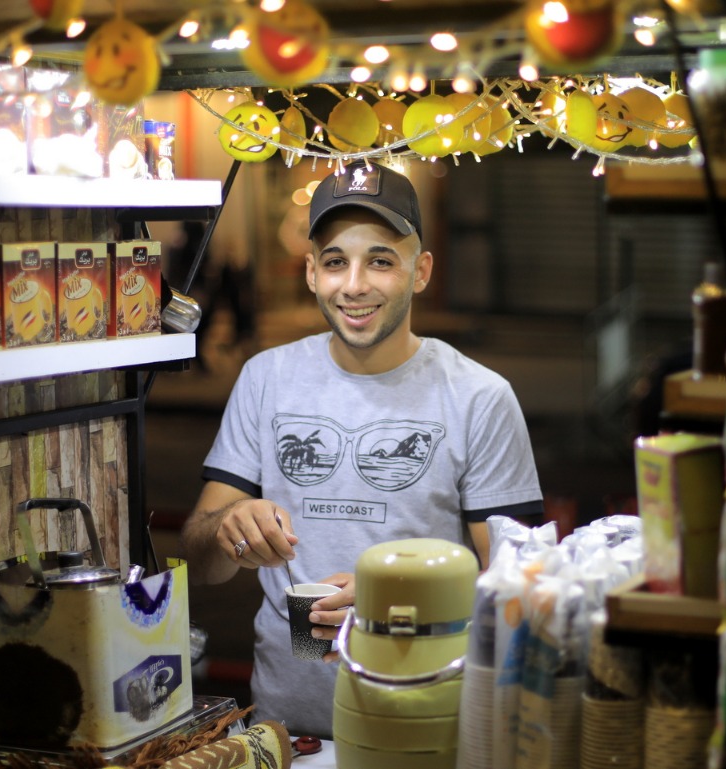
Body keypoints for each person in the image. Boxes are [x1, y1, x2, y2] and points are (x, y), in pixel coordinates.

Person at [179, 160, 544, 738]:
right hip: (286, 729)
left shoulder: (478, 396)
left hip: (424, 725)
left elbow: (522, 587)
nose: (354, 285)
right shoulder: (266, 378)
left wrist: (397, 603)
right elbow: (200, 559)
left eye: (380, 261)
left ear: (420, 271)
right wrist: (231, 525)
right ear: (310, 272)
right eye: (334, 262)